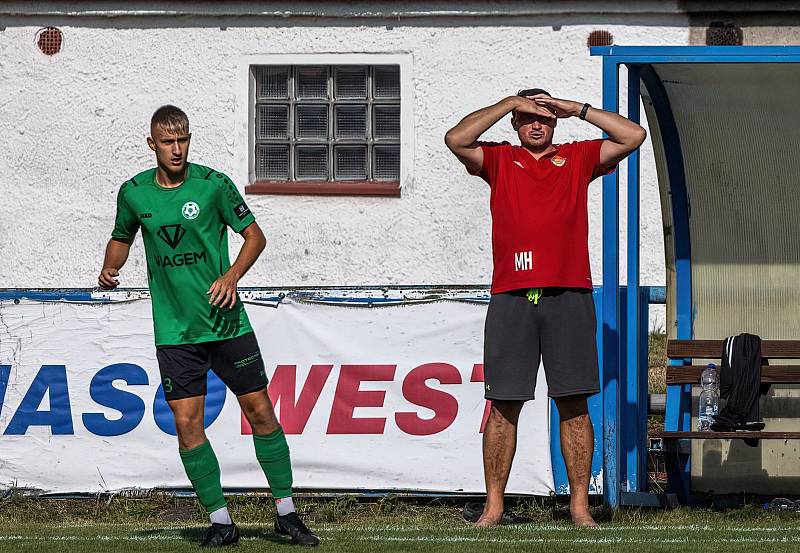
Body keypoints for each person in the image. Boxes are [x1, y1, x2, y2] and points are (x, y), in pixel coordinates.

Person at [98, 105, 319, 547]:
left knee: (261, 412)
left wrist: (231, 275)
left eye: (183, 141)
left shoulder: (214, 185)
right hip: (176, 332)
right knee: (186, 425)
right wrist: (109, 270)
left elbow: (255, 236)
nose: (176, 150)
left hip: (226, 324)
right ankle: (221, 521)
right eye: (167, 142)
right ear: (152, 144)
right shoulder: (134, 193)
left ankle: (287, 512)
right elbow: (121, 238)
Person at [444, 89, 646, 527]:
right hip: (513, 296)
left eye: (545, 119)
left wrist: (577, 109)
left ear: (556, 124)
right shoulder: (500, 160)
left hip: (568, 294)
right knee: (503, 404)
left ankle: (579, 506)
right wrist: (507, 103)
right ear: (515, 126)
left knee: (573, 404)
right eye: (528, 119)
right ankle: (494, 506)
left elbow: (634, 135)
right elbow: (456, 139)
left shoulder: (577, 157)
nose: (537, 125)